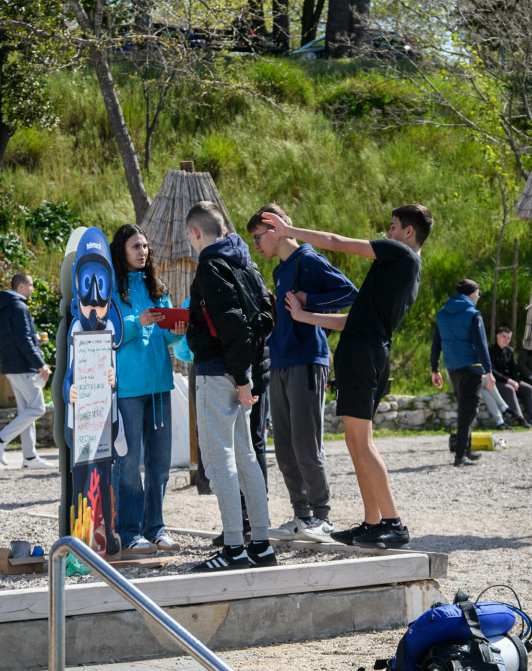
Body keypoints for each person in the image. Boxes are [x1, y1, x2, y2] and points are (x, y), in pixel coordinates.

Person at [258, 204, 430, 549]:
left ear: (408, 232)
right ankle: (373, 522)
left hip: (363, 355)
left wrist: (289, 231)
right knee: (355, 442)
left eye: (393, 227)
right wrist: (305, 316)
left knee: (362, 443)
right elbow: (352, 320)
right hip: (365, 350)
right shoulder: (401, 272)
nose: (387, 233)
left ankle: (393, 523)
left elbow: (335, 241)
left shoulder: (400, 254)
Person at [249, 205, 356, 542]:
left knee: (305, 444)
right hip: (279, 362)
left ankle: (322, 517)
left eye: (257, 237)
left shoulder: (308, 260)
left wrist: (309, 301)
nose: (255, 246)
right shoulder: (281, 270)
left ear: (274, 229)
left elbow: (350, 293)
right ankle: (302, 515)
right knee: (283, 446)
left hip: (308, 360)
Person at [183, 203, 277, 570]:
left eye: (189, 237)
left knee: (218, 461)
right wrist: (245, 371)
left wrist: (239, 378)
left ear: (195, 233)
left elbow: (232, 323)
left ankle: (234, 548)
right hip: (242, 370)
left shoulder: (210, 265)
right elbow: (266, 314)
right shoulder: (246, 263)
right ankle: (262, 545)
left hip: (218, 373)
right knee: (245, 457)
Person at [111, 225, 183, 554]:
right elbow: (106, 332)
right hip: (127, 389)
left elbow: (164, 336)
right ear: (121, 251)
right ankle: (128, 532)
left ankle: (155, 528)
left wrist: (177, 330)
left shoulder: (158, 287)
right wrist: (135, 323)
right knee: (128, 465)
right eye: (135, 246)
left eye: (145, 246)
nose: (143, 252)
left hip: (160, 387)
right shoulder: (110, 290)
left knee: (159, 465)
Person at [0, 273, 51, 468]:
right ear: (21, 286)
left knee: (26, 412)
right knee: (37, 408)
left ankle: (29, 458)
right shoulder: (20, 307)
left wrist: (34, 340)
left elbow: (2, 338)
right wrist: (41, 363)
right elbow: (23, 340)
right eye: (31, 285)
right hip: (24, 366)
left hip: (11, 366)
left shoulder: (4, 308)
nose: (32, 289)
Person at [430, 280, 497, 466]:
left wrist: (434, 369)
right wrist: (489, 371)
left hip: (452, 368)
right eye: (477, 292)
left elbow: (436, 344)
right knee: (469, 410)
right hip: (471, 367)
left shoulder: (442, 313)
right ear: (470, 294)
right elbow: (481, 345)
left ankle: (466, 449)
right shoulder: (473, 314)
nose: (479, 296)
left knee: (463, 407)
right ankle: (460, 456)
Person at [490, 327, 532, 425]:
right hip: (497, 382)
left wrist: (516, 381)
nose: (506, 340)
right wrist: (508, 380)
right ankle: (519, 418)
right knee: (509, 389)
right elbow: (491, 371)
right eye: (504, 337)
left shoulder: (510, 351)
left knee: (529, 389)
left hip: (510, 380)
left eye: (508, 338)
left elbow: (514, 369)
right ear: (497, 336)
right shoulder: (490, 351)